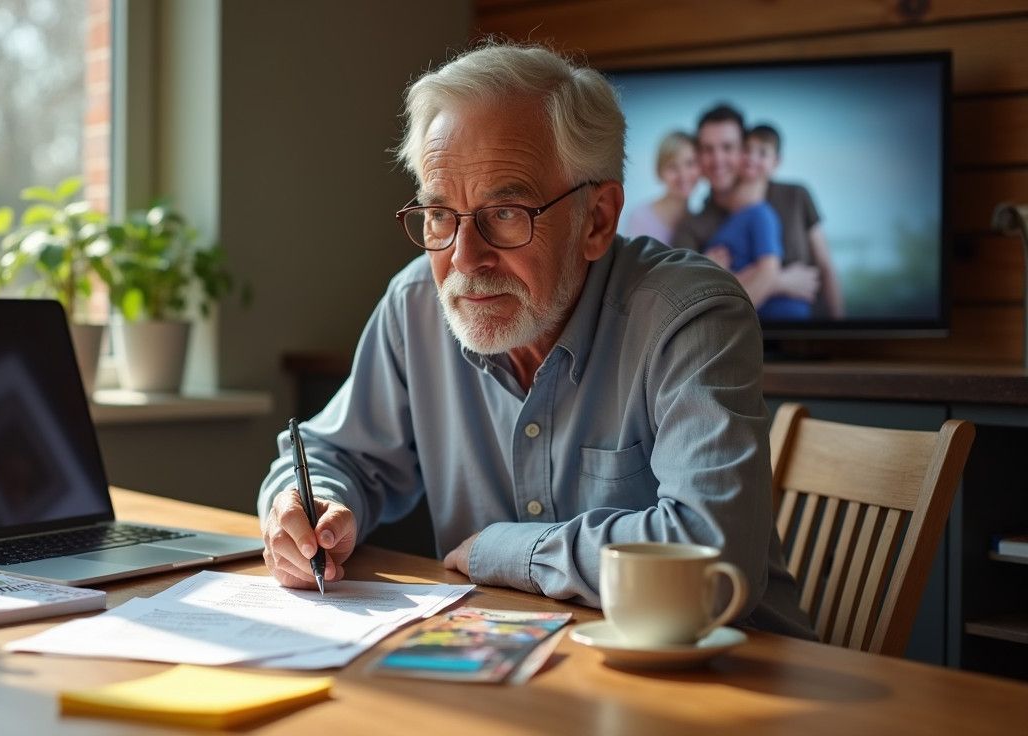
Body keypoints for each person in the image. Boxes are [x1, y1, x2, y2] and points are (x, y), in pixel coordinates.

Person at [256, 42, 815, 639]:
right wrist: (306, 505)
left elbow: (709, 552)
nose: (464, 261)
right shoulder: (417, 301)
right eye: (440, 215)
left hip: (727, 681)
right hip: (527, 666)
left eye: (505, 212)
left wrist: (506, 551)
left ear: (596, 220)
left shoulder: (691, 314)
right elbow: (340, 455)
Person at [674, 104, 844, 319]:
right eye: (708, 149)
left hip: (806, 342)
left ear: (744, 150)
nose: (717, 159)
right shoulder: (691, 227)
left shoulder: (795, 196)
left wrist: (841, 336)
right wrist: (778, 282)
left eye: (727, 147)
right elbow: (689, 303)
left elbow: (826, 267)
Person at [704, 124, 812, 320]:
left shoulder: (761, 214)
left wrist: (726, 320)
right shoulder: (726, 219)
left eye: (762, 153)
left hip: (779, 322)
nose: (752, 159)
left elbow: (767, 272)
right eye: (747, 151)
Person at [624, 131, 699, 245]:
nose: (683, 175)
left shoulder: (698, 221)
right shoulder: (641, 218)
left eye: (690, 163)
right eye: (672, 166)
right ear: (659, 172)